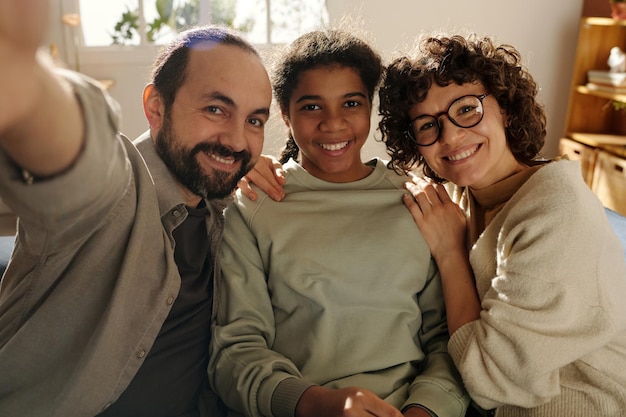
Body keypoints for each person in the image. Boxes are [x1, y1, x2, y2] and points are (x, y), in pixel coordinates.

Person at [0, 1, 273, 416]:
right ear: (156, 107)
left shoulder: (227, 212)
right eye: (216, 109)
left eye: (254, 120)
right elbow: (86, 158)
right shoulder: (116, 194)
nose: (237, 140)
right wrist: (28, 88)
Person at [209, 28, 469, 417]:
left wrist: (425, 409)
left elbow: (446, 340)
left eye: (351, 103)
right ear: (284, 113)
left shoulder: (417, 200)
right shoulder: (254, 207)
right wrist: (315, 404)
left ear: (370, 106)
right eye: (312, 107)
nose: (333, 124)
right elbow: (237, 351)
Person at [377, 32, 626, 416]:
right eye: (427, 125)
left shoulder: (556, 213)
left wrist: (449, 253)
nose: (451, 136)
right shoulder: (465, 195)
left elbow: (492, 378)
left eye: (465, 109)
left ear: (505, 108)